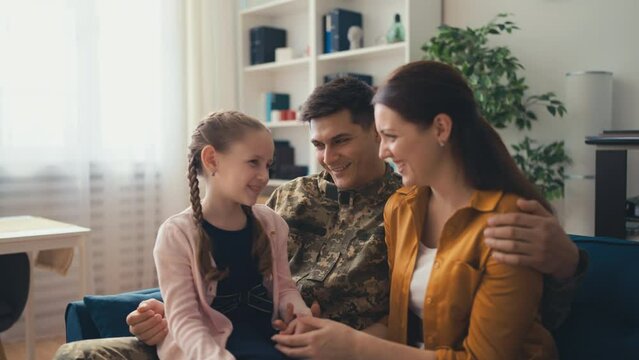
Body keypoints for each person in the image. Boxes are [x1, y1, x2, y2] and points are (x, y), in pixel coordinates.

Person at [54, 77, 586, 360]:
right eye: (317, 145)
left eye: (343, 141)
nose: (327, 158)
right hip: (226, 335)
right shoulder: (290, 198)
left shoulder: (406, 201)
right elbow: (222, 262)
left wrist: (568, 261)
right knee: (80, 355)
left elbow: (525, 311)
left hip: (314, 348)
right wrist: (168, 308)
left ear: (378, 137)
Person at [272, 60, 568, 359]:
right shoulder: (402, 207)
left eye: (391, 136)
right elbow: (401, 323)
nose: (383, 151)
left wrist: (352, 345)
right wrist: (321, 335)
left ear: (441, 128)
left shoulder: (506, 225)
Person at [154, 111, 312, 359]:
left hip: (267, 339)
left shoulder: (272, 223)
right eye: (253, 162)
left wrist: (301, 316)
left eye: (268, 165)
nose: (264, 176)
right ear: (212, 160)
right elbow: (184, 321)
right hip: (209, 349)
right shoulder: (176, 235)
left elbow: (284, 289)